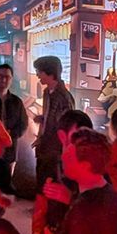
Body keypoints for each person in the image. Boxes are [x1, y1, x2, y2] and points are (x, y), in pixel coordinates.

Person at [33, 55, 77, 185]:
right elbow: (50, 117)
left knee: (51, 182)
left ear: (50, 73)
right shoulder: (47, 92)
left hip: (55, 150)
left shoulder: (64, 97)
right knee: (41, 179)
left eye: (39, 71)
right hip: (44, 146)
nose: (37, 75)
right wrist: (42, 120)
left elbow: (67, 126)